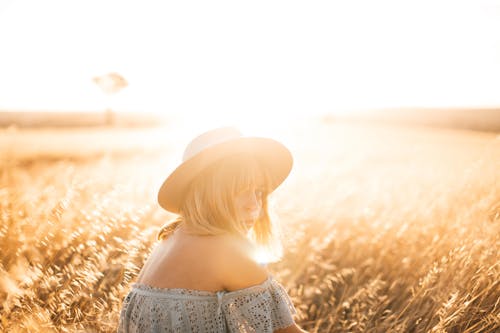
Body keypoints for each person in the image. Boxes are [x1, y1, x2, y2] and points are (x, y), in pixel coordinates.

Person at [118, 127, 307, 333]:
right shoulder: (227, 249)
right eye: (240, 191)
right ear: (209, 194)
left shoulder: (171, 237)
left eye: (259, 192)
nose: (254, 204)